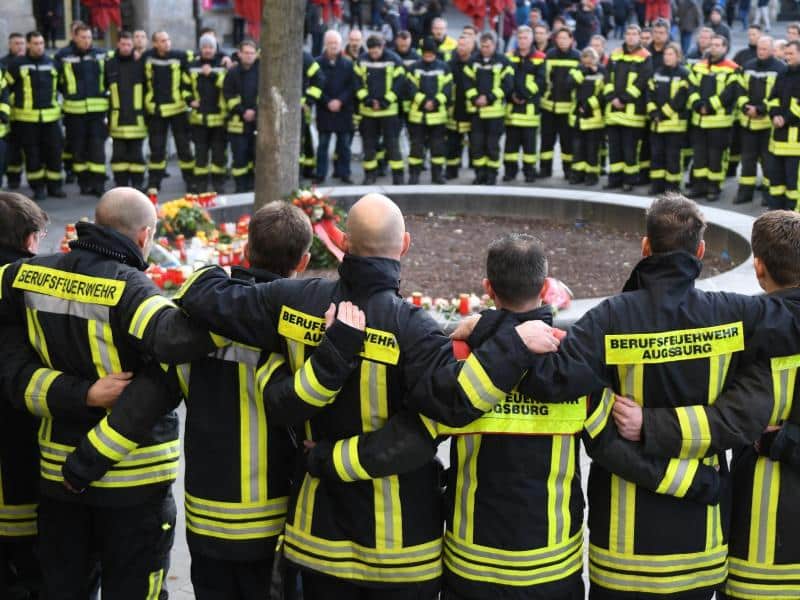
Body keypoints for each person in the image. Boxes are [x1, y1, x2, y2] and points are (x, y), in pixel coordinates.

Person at [173, 192, 560, 599]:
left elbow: (206, 298)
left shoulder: (294, 301)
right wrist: (510, 343)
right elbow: (456, 403)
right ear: (405, 245)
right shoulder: (417, 331)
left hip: (317, 539)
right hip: (402, 550)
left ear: (340, 241)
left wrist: (208, 273)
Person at [467, 193, 800, 599]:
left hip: (621, 554)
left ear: (645, 248)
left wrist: (491, 328)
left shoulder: (609, 319)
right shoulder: (733, 315)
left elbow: (549, 378)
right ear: (700, 251)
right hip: (702, 545)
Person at [0, 187, 218, 599]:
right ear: (144, 236)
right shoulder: (130, 287)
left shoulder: (29, 276)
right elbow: (176, 339)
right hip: (135, 484)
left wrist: (78, 393)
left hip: (57, 476)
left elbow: (16, 372)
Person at [611, 210, 800, 600]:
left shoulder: (757, 339)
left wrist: (649, 425)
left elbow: (733, 420)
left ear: (759, 267)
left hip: (766, 553)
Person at [0, 192, 133, 600]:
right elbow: (17, 376)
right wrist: (88, 394)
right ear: (28, 241)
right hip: (20, 472)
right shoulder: (17, 290)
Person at [181, 201, 314, 600]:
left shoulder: (203, 315)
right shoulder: (296, 325)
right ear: (303, 262)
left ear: (245, 250)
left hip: (206, 510)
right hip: (274, 515)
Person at [4, 31, 66, 202]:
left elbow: (63, 85)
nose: (39, 47)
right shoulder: (17, 64)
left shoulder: (53, 63)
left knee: (54, 152)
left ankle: (55, 186)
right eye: (35, 43)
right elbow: (5, 87)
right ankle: (38, 187)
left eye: (41, 43)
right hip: (27, 120)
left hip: (51, 118)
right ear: (28, 44)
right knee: (33, 155)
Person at [687, 33, 739, 201]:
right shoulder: (698, 66)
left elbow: (729, 94)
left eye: (718, 45)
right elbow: (691, 87)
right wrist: (697, 105)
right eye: (713, 44)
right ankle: (699, 186)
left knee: (715, 157)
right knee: (699, 156)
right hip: (699, 121)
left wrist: (708, 106)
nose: (714, 47)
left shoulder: (733, 68)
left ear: (725, 48)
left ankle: (713, 188)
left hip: (719, 122)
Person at [734, 35, 785, 205]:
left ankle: (767, 194)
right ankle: (744, 193)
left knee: (768, 162)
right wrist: (745, 107)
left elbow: (777, 96)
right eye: (759, 49)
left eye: (764, 49)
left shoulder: (780, 68)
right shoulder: (747, 67)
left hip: (767, 125)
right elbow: (740, 90)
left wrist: (760, 109)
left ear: (772, 50)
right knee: (747, 160)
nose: (761, 52)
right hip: (748, 122)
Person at [143, 30, 194, 192]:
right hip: (157, 111)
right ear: (155, 43)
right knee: (157, 150)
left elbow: (205, 56)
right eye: (163, 41)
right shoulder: (147, 57)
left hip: (178, 110)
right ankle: (153, 184)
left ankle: (191, 182)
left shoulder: (180, 56)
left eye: (168, 40)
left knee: (184, 149)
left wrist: (229, 58)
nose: (167, 43)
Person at [603, 24, 652, 192]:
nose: (631, 37)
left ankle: (629, 180)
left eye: (634, 34)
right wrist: (612, 98)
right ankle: (614, 178)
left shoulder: (645, 56)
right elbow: (607, 77)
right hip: (613, 111)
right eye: (628, 34)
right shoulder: (615, 54)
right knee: (614, 149)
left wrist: (623, 99)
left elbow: (642, 81)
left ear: (639, 37)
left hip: (632, 113)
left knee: (630, 149)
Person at [354, 34, 406, 184]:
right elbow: (357, 84)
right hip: (368, 112)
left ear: (382, 47)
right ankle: (370, 175)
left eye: (376, 51)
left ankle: (398, 177)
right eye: (371, 51)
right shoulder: (361, 60)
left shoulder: (394, 60)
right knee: (369, 146)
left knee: (392, 145)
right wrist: (369, 101)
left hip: (389, 112)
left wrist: (384, 102)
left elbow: (399, 84)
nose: (374, 54)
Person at [465, 32, 513, 186]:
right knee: (477, 146)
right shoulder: (473, 61)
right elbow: (466, 83)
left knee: (492, 146)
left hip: (495, 114)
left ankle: (492, 175)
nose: (485, 49)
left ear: (494, 45)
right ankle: (480, 174)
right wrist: (475, 98)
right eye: (483, 46)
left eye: (488, 46)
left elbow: (507, 85)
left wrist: (489, 97)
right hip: (477, 113)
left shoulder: (503, 61)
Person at [105, 31, 148, 191]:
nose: (125, 47)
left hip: (137, 118)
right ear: (117, 44)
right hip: (117, 119)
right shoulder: (110, 64)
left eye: (129, 44)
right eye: (122, 44)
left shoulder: (140, 63)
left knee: (137, 155)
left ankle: (137, 183)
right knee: (118, 156)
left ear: (133, 45)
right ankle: (120, 184)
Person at [407, 37, 453, 184]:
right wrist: (423, 101)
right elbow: (411, 88)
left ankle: (437, 175)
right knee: (416, 148)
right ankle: (414, 175)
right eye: (426, 53)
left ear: (435, 53)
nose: (428, 56)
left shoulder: (444, 67)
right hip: (418, 116)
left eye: (431, 53)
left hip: (437, 116)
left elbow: (447, 89)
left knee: (437, 148)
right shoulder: (414, 67)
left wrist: (435, 102)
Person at [646, 43, 690, 194]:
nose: (667, 57)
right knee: (656, 155)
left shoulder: (684, 74)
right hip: (656, 124)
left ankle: (672, 187)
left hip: (674, 125)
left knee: (673, 157)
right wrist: (653, 112)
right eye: (665, 54)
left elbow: (680, 98)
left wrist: (662, 114)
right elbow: (649, 93)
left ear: (678, 56)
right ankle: (657, 185)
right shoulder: (657, 72)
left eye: (671, 54)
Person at [503, 26, 545, 183]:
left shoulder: (540, 57)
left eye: (525, 38)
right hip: (512, 109)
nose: (522, 41)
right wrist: (511, 95)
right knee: (510, 146)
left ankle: (529, 172)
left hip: (529, 109)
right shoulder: (509, 57)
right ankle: (510, 171)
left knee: (529, 146)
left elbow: (540, 82)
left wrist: (523, 95)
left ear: (531, 39)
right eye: (520, 38)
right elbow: (506, 79)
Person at [187, 34, 228, 194]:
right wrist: (190, 100)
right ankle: (201, 185)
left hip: (218, 120)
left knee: (219, 155)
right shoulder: (193, 66)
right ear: (200, 48)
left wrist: (211, 74)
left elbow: (226, 86)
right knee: (200, 155)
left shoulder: (223, 64)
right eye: (204, 47)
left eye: (210, 47)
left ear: (215, 48)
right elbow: (184, 87)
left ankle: (219, 184)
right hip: (199, 120)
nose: (207, 50)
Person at [539, 28, 580, 178]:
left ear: (571, 40)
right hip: (548, 106)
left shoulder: (577, 57)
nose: (562, 40)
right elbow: (544, 79)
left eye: (565, 38)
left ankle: (568, 171)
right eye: (559, 38)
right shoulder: (549, 55)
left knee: (567, 142)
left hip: (567, 107)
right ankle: (545, 170)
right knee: (546, 141)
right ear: (555, 40)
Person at [315, 30, 355, 185]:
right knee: (323, 145)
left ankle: (344, 173)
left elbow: (352, 87)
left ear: (340, 45)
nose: (333, 46)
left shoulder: (348, 64)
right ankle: (320, 174)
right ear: (325, 44)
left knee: (344, 145)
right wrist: (327, 102)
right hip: (324, 110)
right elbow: (315, 86)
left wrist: (340, 101)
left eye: (336, 43)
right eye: (330, 43)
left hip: (343, 110)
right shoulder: (317, 63)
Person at [765, 40, 800, 210]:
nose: (787, 57)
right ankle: (776, 213)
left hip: (796, 144)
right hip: (777, 141)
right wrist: (774, 114)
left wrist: (784, 119)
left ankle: (793, 218)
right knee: (776, 181)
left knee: (793, 185)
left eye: (791, 54)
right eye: (786, 54)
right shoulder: (783, 73)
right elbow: (772, 98)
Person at [567, 46, 606, 185]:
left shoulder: (602, 72)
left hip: (594, 117)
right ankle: (577, 175)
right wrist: (584, 70)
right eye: (585, 62)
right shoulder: (577, 70)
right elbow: (569, 84)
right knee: (577, 149)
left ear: (596, 60)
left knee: (592, 150)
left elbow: (604, 94)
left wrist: (589, 105)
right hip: (577, 116)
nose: (588, 65)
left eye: (590, 62)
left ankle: (591, 176)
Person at [224, 40, 259, 193]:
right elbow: (228, 95)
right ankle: (240, 186)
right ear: (239, 54)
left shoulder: (262, 72)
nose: (249, 56)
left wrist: (255, 111)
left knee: (254, 155)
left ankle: (252, 184)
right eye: (246, 53)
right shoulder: (232, 73)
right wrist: (242, 111)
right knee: (239, 155)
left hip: (257, 122)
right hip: (237, 122)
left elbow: (264, 95)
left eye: (252, 53)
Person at [445, 34, 476, 180]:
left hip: (472, 110)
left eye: (464, 45)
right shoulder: (450, 64)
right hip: (454, 110)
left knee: (475, 144)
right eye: (460, 45)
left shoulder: (476, 63)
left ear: (471, 46)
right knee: (452, 144)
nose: (461, 48)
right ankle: (451, 171)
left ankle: (477, 172)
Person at [1, 33, 25, 190]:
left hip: (22, 115)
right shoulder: (4, 64)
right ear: (9, 45)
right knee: (11, 150)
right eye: (17, 43)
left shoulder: (28, 62)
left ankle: (14, 179)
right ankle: (12, 179)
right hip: (9, 117)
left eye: (22, 43)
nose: (20, 46)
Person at [300, 50, 324, 180]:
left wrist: (308, 101)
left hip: (300, 110)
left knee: (303, 141)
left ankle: (304, 171)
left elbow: (319, 78)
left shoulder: (304, 57)